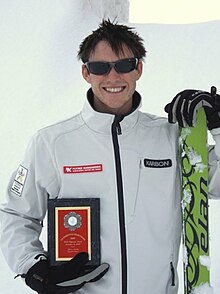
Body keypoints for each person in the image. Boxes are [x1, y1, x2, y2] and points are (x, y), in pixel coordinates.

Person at [1, 19, 220, 294]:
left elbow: (216, 183)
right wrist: (33, 266)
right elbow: (17, 214)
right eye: (100, 67)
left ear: (138, 68)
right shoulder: (52, 143)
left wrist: (218, 125)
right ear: (86, 73)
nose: (113, 77)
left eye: (124, 65)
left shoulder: (171, 138)